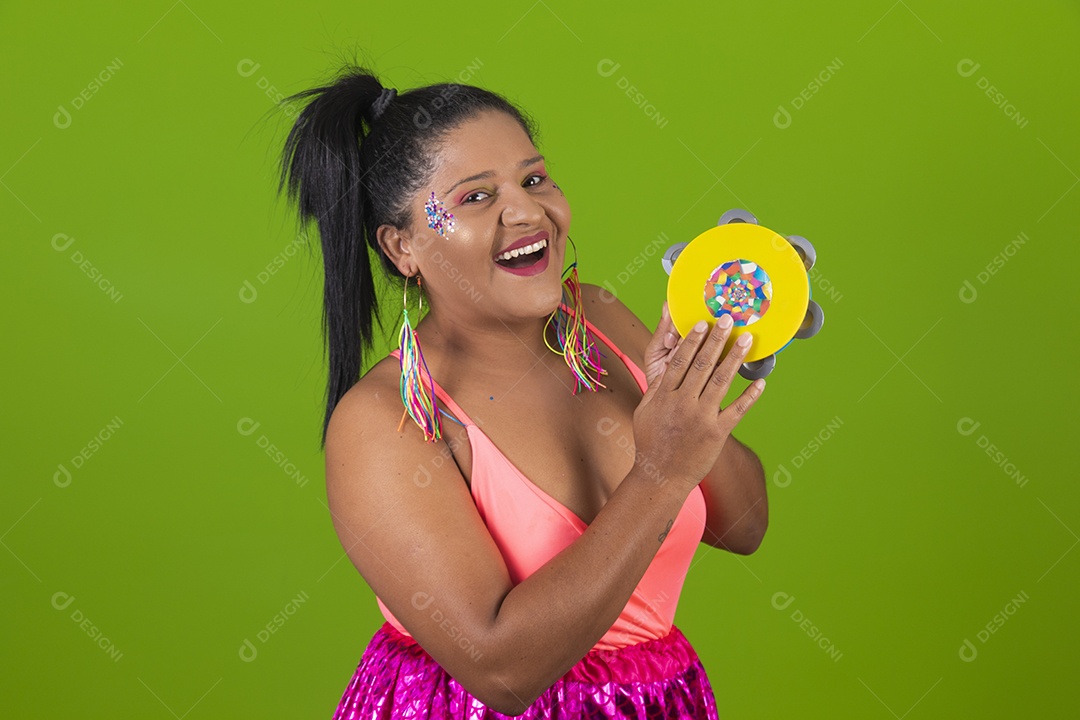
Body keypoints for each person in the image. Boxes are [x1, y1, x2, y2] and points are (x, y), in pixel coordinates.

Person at [276, 62, 768, 719]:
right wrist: (658, 473)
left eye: (534, 178)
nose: (527, 209)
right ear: (403, 247)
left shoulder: (602, 319)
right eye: (476, 197)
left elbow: (745, 527)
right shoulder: (385, 420)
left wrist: (691, 394)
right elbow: (503, 673)